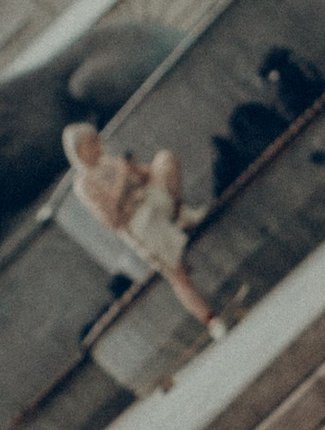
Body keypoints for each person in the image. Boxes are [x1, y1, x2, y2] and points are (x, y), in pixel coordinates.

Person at [63, 123, 228, 338]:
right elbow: (112, 216)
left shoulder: (110, 162)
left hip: (154, 203)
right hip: (138, 225)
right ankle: (210, 319)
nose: (96, 146)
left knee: (165, 160)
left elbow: (148, 176)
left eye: (96, 140)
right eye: (89, 144)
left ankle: (179, 214)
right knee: (177, 272)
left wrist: (136, 170)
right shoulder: (84, 183)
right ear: (78, 151)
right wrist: (123, 177)